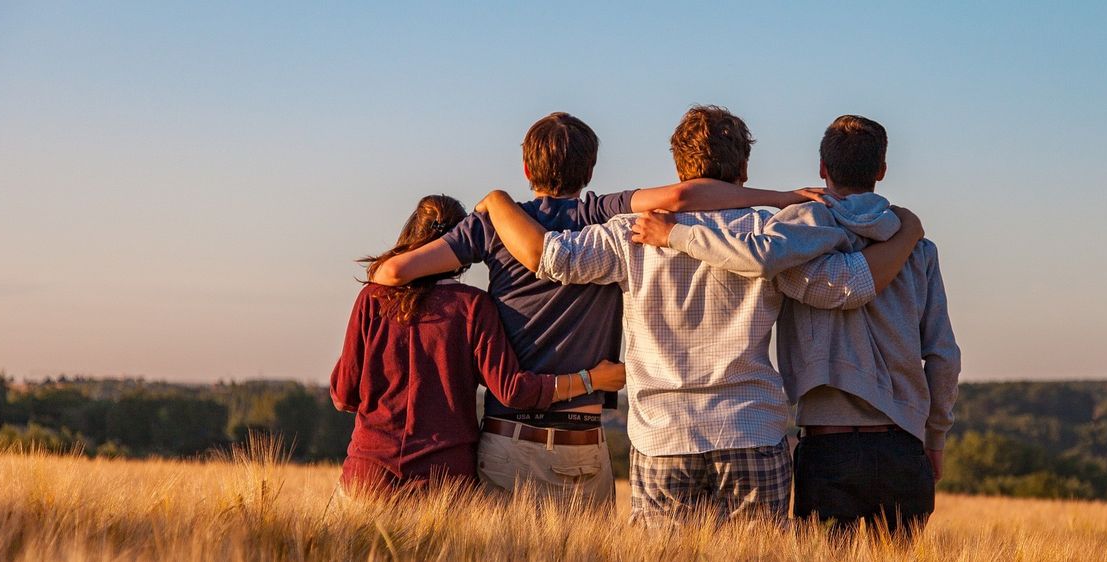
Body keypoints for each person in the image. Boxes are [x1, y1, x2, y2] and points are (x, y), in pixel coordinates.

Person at [476, 105, 925, 526]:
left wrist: (497, 202)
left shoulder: (629, 233)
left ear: (678, 169)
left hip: (662, 437)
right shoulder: (769, 235)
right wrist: (907, 234)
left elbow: (551, 257)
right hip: (751, 429)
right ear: (744, 171)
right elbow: (846, 287)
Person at [368, 112, 830, 506]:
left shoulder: (493, 225)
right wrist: (783, 198)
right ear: (590, 170)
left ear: (527, 168)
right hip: (583, 441)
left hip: (509, 436)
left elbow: (391, 275)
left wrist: (492, 204)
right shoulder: (602, 213)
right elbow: (682, 197)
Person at [632, 115, 960, 537]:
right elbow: (943, 356)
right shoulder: (918, 248)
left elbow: (758, 257)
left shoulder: (795, 234)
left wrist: (676, 234)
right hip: (904, 445)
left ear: (822, 168)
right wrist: (935, 438)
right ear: (881, 170)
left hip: (828, 447)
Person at [330, 194, 626, 496]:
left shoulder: (372, 299)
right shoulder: (473, 306)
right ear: (461, 246)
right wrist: (591, 379)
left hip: (367, 476)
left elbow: (344, 396)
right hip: (444, 483)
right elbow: (512, 390)